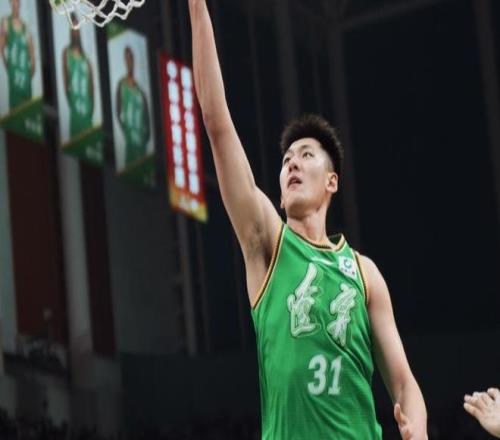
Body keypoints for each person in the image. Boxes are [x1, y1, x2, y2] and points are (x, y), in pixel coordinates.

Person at [187, 1, 428, 439]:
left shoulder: (364, 273)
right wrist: (198, 7)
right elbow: (215, 121)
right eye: (286, 160)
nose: (292, 163)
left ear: (332, 181)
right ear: (280, 193)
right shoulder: (267, 244)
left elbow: (404, 382)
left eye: (306, 155)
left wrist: (419, 431)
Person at [116, 46, 150, 166]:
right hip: (130, 140)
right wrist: (125, 130)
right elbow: (118, 112)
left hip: (141, 142)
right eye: (127, 58)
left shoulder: (141, 91)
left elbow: (147, 118)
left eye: (130, 58)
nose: (129, 61)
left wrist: (145, 137)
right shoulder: (121, 84)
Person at [0, 0, 35, 110]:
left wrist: (33, 66)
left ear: (19, 3)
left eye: (17, 1)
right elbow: (1, 46)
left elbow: (31, 50)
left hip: (25, 73)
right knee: (15, 107)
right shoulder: (6, 21)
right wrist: (6, 64)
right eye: (13, 2)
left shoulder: (25, 26)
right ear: (10, 3)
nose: (15, 4)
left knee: (27, 107)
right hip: (14, 73)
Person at [62, 19, 94, 138]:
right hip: (75, 108)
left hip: (87, 110)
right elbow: (65, 80)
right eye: (73, 29)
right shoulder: (66, 52)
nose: (75, 32)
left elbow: (91, 87)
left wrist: (91, 108)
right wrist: (71, 101)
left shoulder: (86, 60)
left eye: (77, 29)